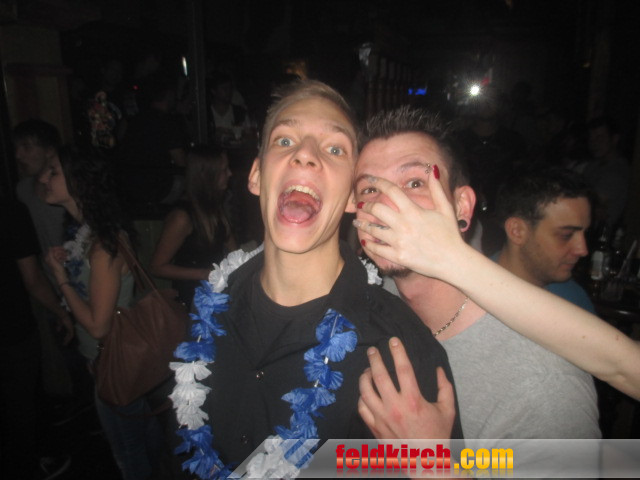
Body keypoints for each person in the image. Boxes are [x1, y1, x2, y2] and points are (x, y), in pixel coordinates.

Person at [170, 81, 462, 478]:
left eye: (335, 148)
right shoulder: (211, 307)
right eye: (285, 140)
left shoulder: (399, 348)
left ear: (352, 198)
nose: (305, 154)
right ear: (256, 175)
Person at [352, 113, 640, 443]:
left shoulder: (544, 385)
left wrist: (434, 463)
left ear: (462, 207)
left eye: (415, 183)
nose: (386, 204)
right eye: (370, 188)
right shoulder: (361, 306)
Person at [40, 148, 165, 480]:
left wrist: (60, 277)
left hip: (112, 360)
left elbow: (98, 326)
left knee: (127, 452)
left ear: (79, 182)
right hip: (108, 357)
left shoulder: (102, 246)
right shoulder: (84, 234)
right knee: (141, 428)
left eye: (53, 171)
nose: (43, 178)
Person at [0, 199, 72, 480]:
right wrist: (62, 312)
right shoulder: (9, 209)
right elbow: (32, 279)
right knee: (19, 405)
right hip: (11, 328)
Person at [494, 168, 596, 313]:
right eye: (566, 235)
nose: (583, 250)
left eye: (585, 233)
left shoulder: (572, 297)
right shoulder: (471, 299)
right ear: (517, 231)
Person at [150, 146, 236, 308]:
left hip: (216, 293)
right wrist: (205, 273)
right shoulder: (182, 217)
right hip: (193, 299)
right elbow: (157, 267)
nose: (230, 174)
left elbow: (233, 250)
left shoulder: (214, 207)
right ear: (208, 175)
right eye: (224, 170)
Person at [13, 119, 66, 254]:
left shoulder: (67, 188)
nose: (18, 155)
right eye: (16, 148)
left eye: (27, 147)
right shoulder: (23, 189)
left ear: (49, 150)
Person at [583, 115, 630, 228]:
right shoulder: (592, 165)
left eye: (600, 138)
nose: (594, 143)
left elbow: (592, 206)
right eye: (591, 139)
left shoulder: (617, 171)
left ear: (614, 139)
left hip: (599, 233)